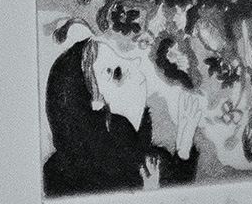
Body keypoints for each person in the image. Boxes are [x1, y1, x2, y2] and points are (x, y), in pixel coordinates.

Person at [43, 36, 201, 196]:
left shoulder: (151, 160)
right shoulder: (59, 178)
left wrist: (184, 149)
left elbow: (182, 192)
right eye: (116, 73)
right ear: (95, 104)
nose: (136, 61)